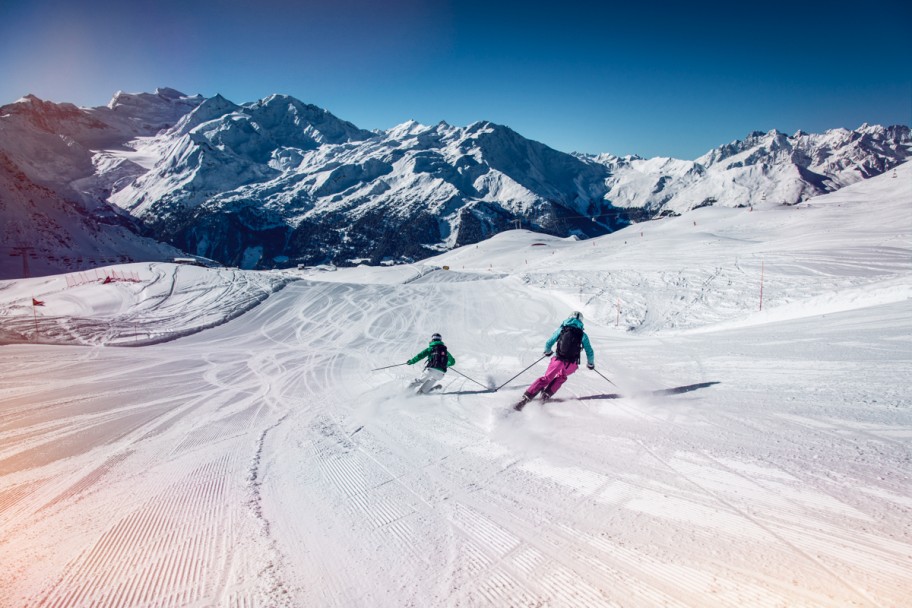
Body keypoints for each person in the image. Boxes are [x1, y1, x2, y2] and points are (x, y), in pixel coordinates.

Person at [518, 311, 595, 407]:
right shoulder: (582, 335)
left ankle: (528, 396)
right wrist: (590, 364)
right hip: (571, 364)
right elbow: (589, 351)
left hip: (558, 359)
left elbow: (549, 342)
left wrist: (547, 351)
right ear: (581, 321)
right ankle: (546, 394)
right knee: (562, 377)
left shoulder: (562, 329)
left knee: (546, 378)